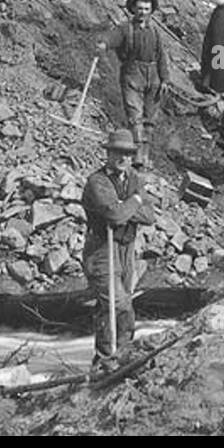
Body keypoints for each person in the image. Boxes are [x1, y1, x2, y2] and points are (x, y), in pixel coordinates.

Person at [81, 129, 156, 368]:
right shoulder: (98, 182)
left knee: (115, 307)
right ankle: (108, 359)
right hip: (102, 249)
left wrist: (127, 207)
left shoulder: (133, 179)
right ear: (108, 153)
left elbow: (150, 216)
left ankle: (113, 359)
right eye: (118, 153)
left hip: (126, 248)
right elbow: (114, 216)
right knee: (118, 305)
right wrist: (134, 202)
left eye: (128, 154)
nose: (123, 158)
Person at [96, 0, 171, 165]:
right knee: (135, 115)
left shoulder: (155, 31)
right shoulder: (125, 29)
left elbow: (161, 56)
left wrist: (165, 79)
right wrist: (104, 43)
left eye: (146, 9)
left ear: (151, 11)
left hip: (153, 77)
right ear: (133, 9)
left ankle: (145, 155)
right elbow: (112, 37)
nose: (143, 12)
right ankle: (136, 155)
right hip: (132, 74)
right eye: (139, 8)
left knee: (149, 119)